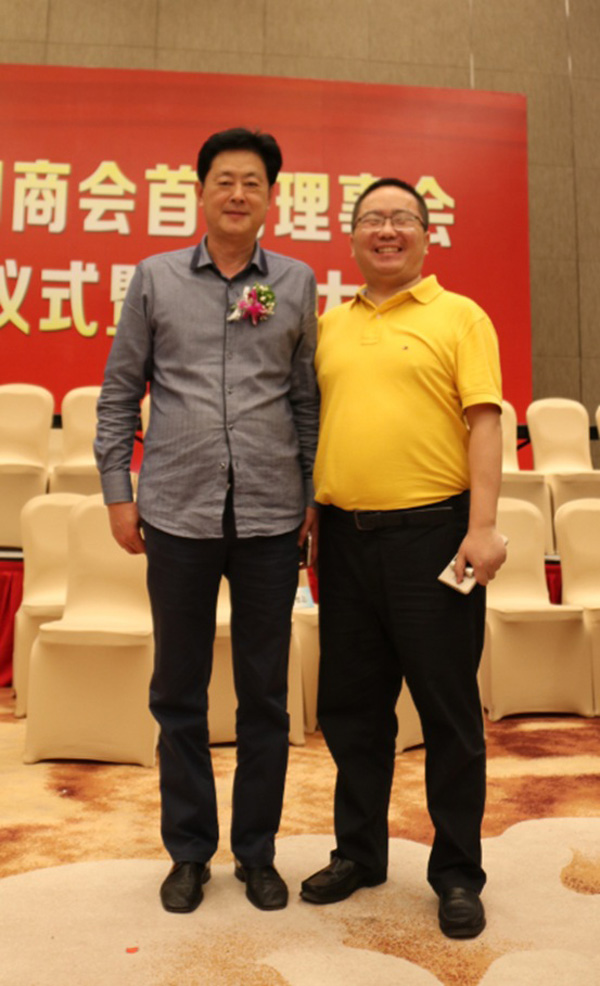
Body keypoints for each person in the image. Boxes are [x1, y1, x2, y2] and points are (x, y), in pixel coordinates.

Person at [94, 128, 319, 914]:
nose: (237, 194)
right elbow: (119, 392)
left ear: (271, 198)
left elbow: (306, 399)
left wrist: (311, 496)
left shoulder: (294, 281)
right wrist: (117, 493)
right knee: (179, 692)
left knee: (265, 696)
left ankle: (257, 854)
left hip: (270, 516)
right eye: (224, 180)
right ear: (199, 192)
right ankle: (189, 853)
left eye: (252, 182)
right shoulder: (155, 277)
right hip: (176, 513)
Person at [300, 178, 506, 939]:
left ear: (426, 234)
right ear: (352, 237)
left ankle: (456, 874)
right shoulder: (328, 326)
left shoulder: (460, 316)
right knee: (351, 710)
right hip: (343, 540)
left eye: (402, 220)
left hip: (434, 538)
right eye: (372, 220)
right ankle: (359, 854)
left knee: (448, 713)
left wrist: (483, 527)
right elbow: (310, 426)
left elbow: (485, 423)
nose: (386, 231)